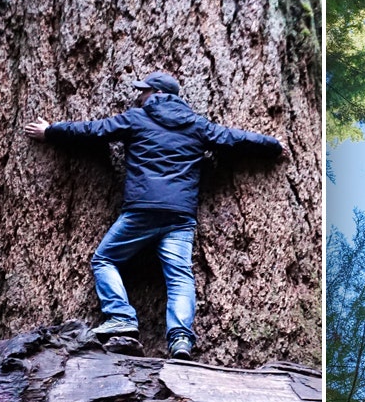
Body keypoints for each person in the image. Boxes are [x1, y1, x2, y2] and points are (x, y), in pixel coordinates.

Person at [24, 71, 284, 359]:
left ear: (159, 94)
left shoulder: (136, 118)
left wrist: (51, 131)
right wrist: (272, 146)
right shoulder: (197, 126)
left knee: (105, 259)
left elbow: (93, 131)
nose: (139, 95)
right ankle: (181, 339)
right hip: (180, 215)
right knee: (180, 277)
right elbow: (235, 139)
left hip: (142, 210)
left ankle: (121, 318)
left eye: (143, 90)